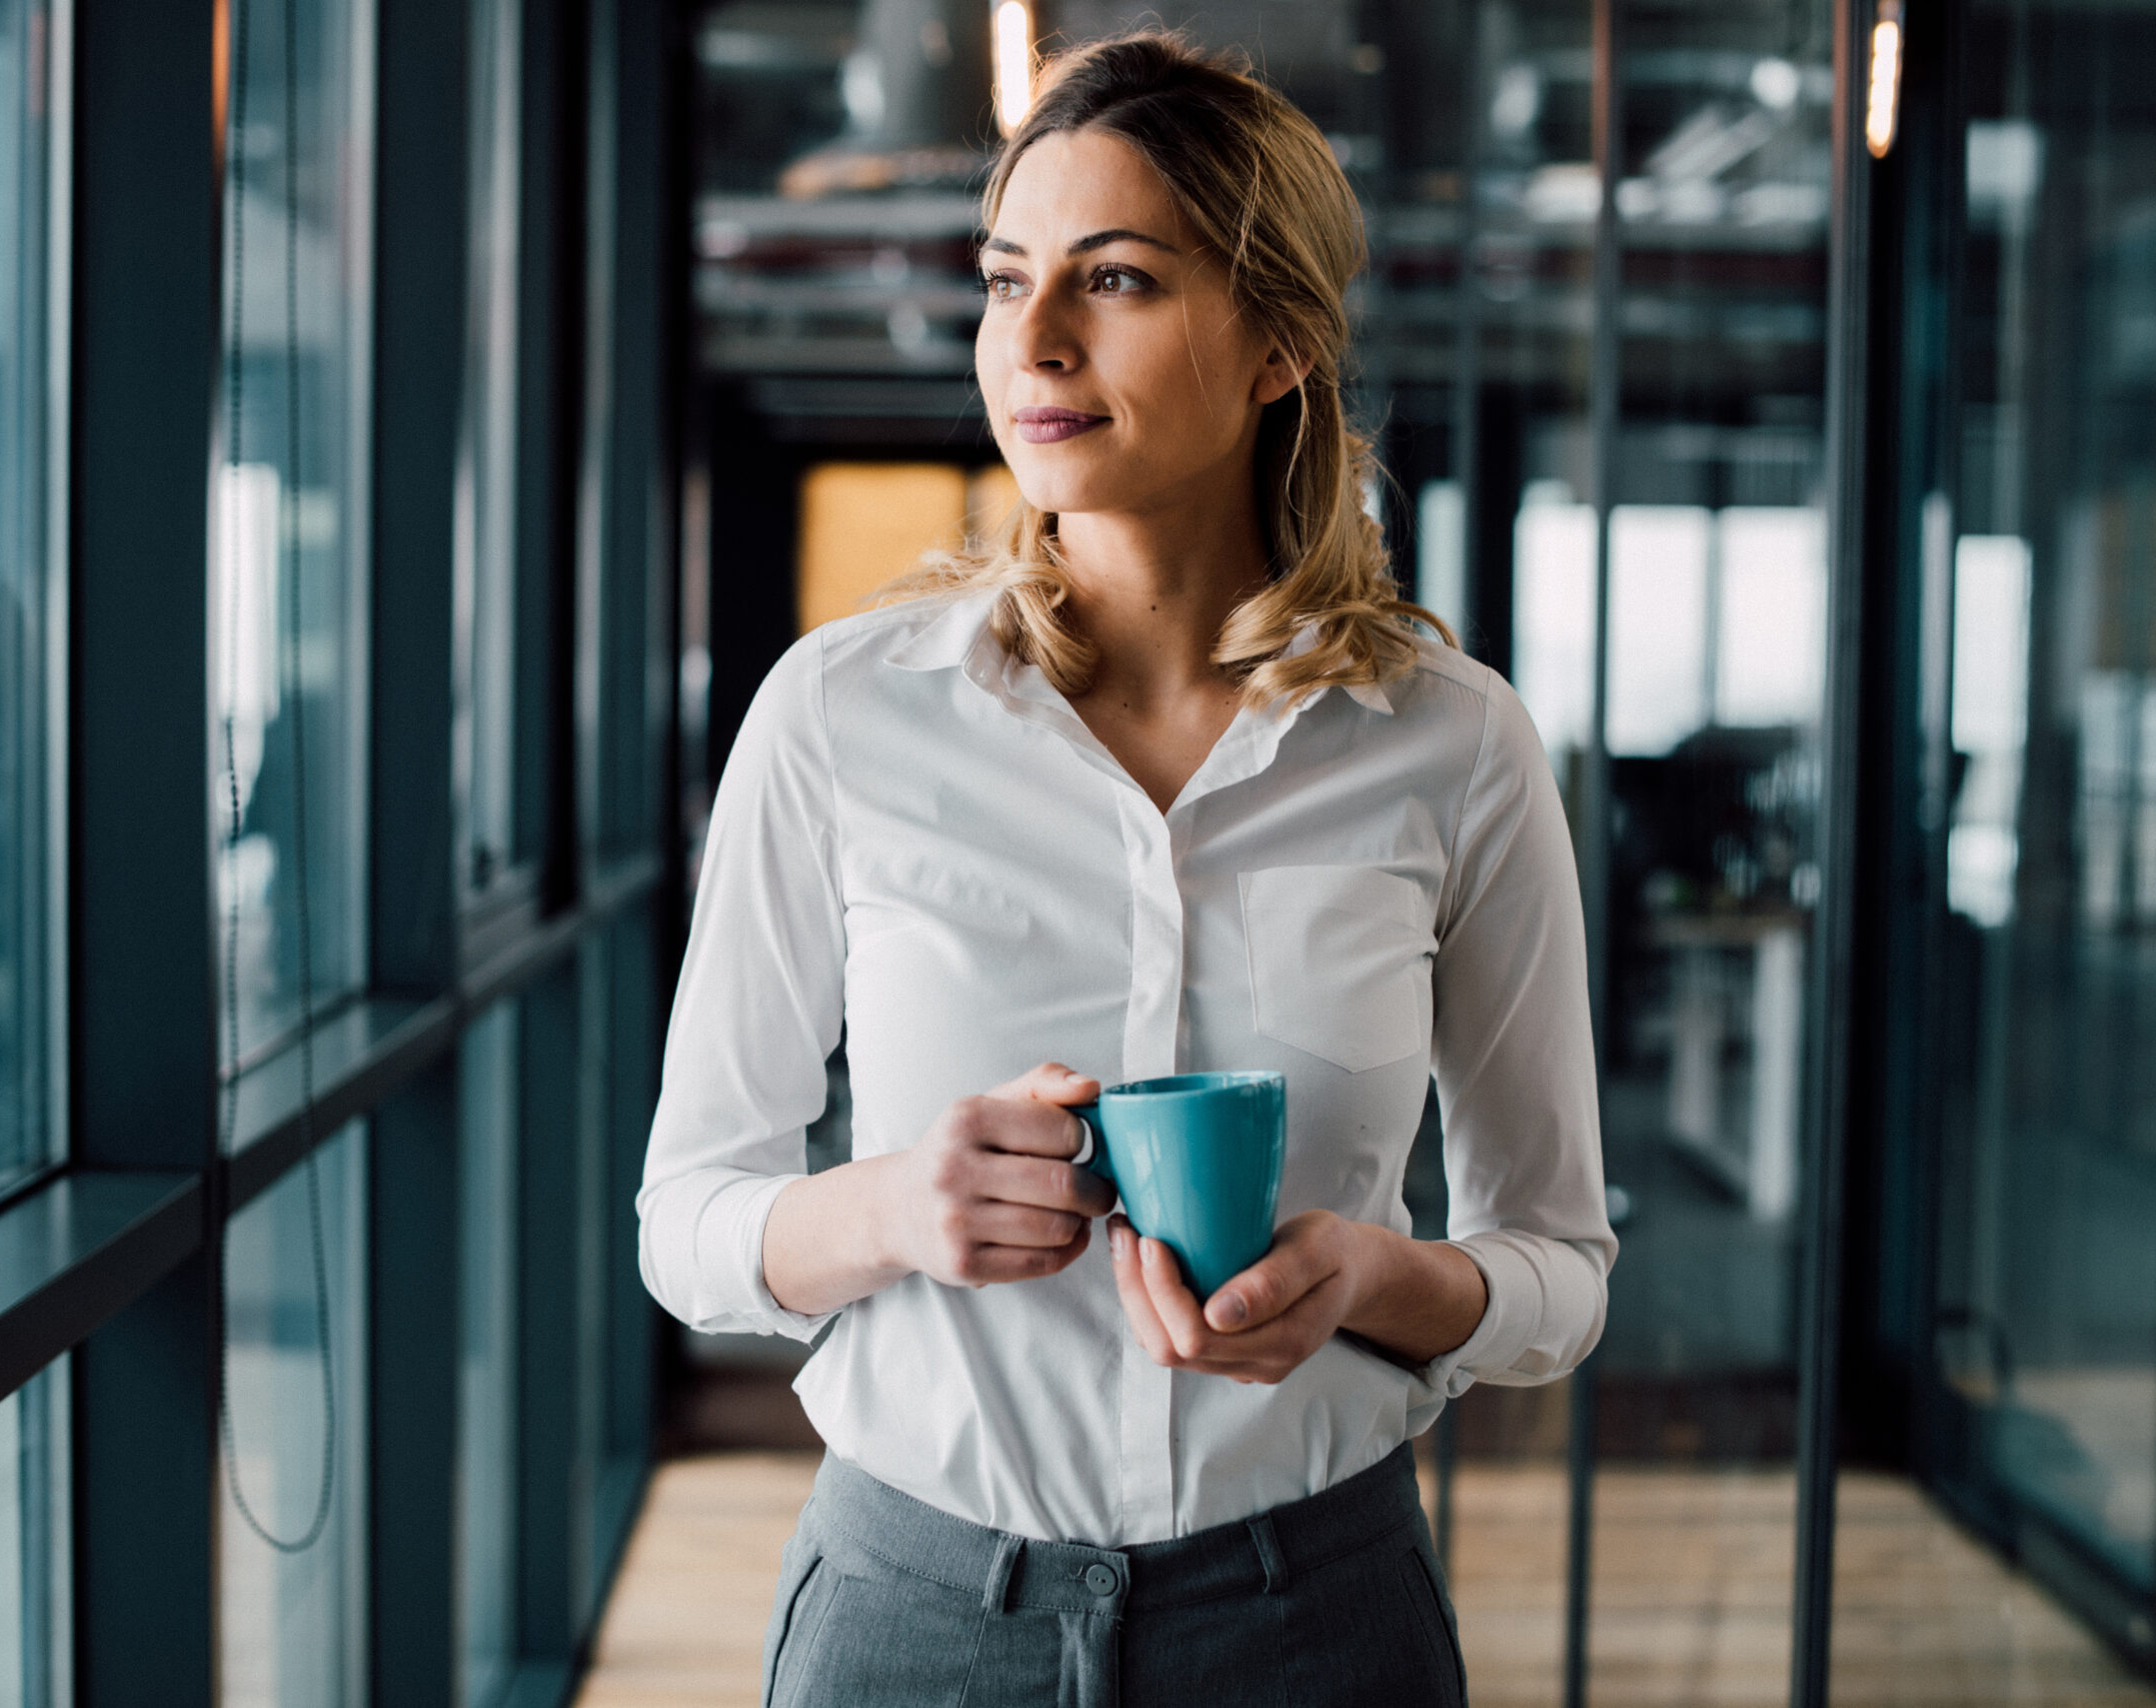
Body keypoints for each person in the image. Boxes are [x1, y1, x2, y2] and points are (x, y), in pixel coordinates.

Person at [638, 31, 1613, 1706]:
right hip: (913, 1612)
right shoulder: (840, 715)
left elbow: (1560, 1272)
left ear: (1279, 346)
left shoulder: (1452, 745)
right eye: (1007, 278)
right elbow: (689, 1221)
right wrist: (894, 1206)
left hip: (1317, 1616)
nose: (1034, 339)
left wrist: (1380, 1277)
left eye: (1118, 278)